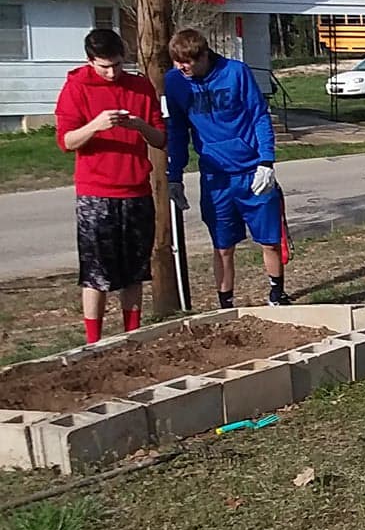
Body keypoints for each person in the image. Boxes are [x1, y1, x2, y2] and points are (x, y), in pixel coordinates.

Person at [53, 26, 166, 345]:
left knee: (134, 272)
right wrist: (96, 125)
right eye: (104, 66)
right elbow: (66, 141)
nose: (112, 72)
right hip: (96, 194)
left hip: (137, 191)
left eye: (117, 64)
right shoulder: (77, 86)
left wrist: (140, 125)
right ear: (90, 62)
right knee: (96, 274)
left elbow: (160, 139)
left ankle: (132, 337)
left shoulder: (140, 87)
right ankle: (94, 341)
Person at [163, 26, 290, 309]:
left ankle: (276, 294)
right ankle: (225, 303)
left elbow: (259, 115)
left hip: (251, 171)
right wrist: (175, 176)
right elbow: (178, 131)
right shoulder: (175, 82)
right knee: (222, 246)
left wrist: (266, 161)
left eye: (187, 62)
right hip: (215, 177)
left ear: (203, 55)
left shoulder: (236, 72)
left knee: (269, 240)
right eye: (177, 62)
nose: (182, 67)